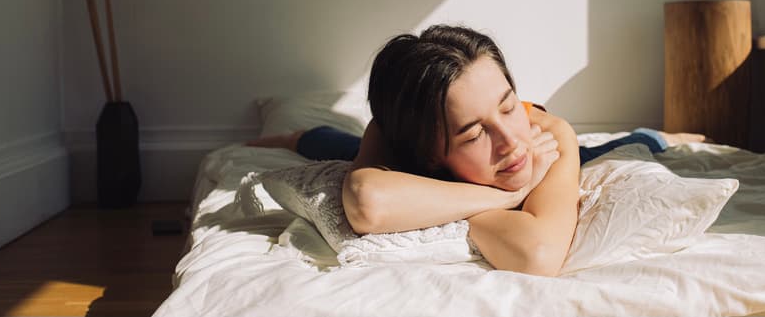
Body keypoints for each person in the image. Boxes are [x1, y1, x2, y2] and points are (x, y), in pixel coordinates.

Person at [247, 24, 705, 276]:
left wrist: (501, 162)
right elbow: (367, 200)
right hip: (408, 151)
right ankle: (293, 135)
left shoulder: (543, 137)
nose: (509, 142)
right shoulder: (392, 137)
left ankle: (661, 136)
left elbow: (537, 255)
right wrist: (504, 199)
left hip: (562, 146)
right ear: (425, 156)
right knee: (343, 146)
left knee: (603, 150)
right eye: (473, 134)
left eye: (507, 107)